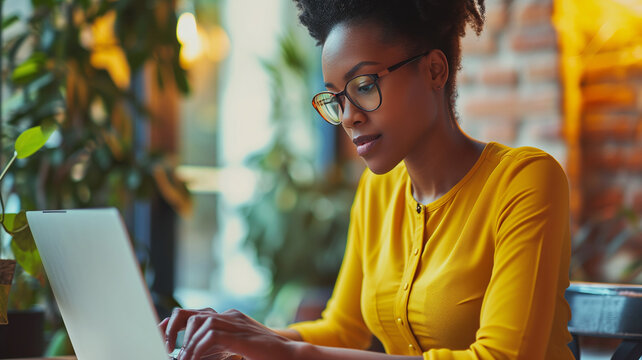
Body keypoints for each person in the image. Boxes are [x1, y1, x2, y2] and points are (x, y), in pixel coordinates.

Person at [160, 1, 575, 359]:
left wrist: (287, 351)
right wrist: (242, 337)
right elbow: (343, 330)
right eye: (336, 97)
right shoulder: (379, 190)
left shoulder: (524, 181)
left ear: (434, 70)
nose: (348, 115)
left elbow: (504, 357)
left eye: (363, 85)